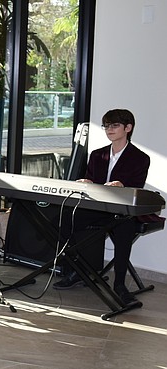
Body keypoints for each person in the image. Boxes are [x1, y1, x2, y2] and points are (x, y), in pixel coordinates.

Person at [52, 108, 150, 306]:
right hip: (98, 209)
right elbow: (94, 183)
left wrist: (122, 185)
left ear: (128, 128)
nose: (109, 129)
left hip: (122, 212)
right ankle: (78, 271)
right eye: (106, 125)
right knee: (64, 218)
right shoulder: (97, 155)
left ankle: (120, 286)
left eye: (114, 125)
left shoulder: (140, 158)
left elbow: (137, 188)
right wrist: (88, 182)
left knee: (124, 230)